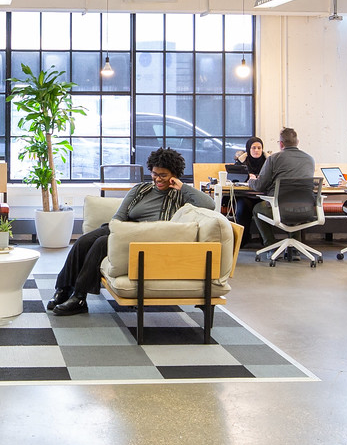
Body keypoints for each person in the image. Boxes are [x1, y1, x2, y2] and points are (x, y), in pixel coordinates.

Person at [47, 147, 215, 316]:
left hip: (147, 236)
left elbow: (209, 204)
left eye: (163, 175)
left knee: (101, 243)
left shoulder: (180, 195)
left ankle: (79, 297)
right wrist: (118, 231)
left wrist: (182, 186)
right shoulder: (141, 189)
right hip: (123, 229)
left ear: (174, 174)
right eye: (155, 174)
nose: (157, 179)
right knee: (84, 241)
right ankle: (63, 290)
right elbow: (119, 216)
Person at [249, 127, 318, 244]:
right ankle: (295, 248)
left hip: (281, 209)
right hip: (307, 209)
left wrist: (251, 180)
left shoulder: (273, 159)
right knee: (294, 203)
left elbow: (260, 185)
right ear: (297, 142)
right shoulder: (310, 159)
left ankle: (270, 245)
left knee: (257, 209)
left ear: (281, 144)